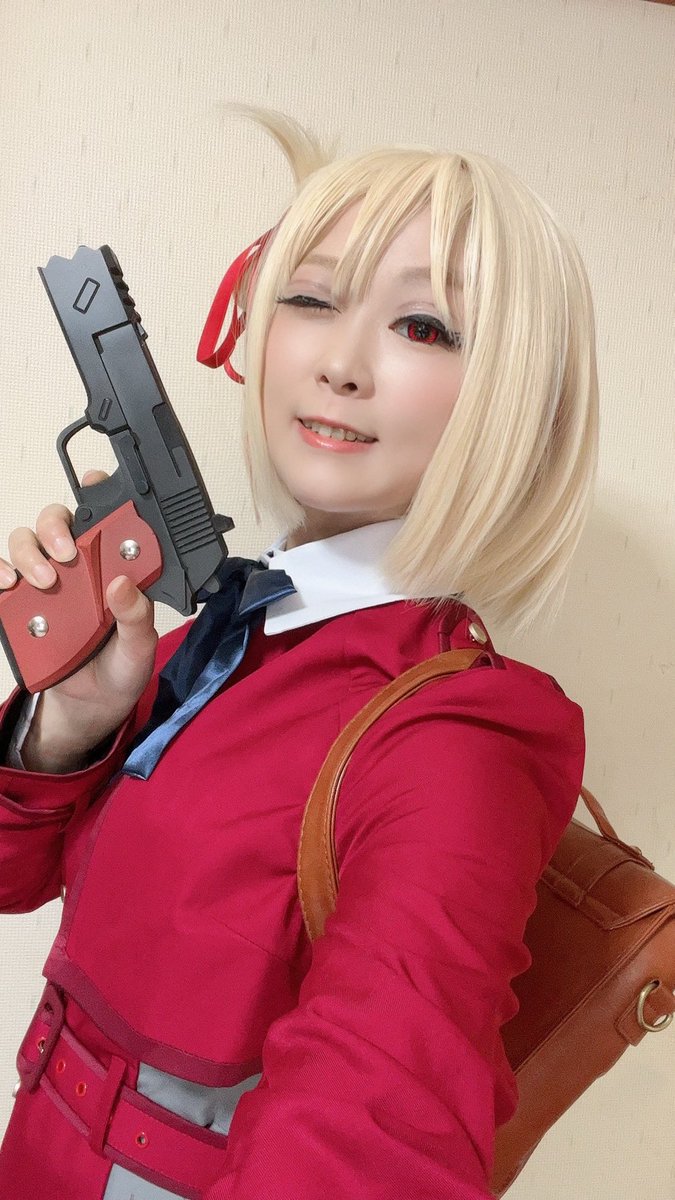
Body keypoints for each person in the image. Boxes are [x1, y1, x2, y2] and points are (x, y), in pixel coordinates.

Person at [0, 109, 598, 1199]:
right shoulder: (228, 631)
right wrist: (70, 725)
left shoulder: (458, 732)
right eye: (311, 299)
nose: (338, 363)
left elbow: (371, 1135)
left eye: (423, 326)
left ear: (511, 397)